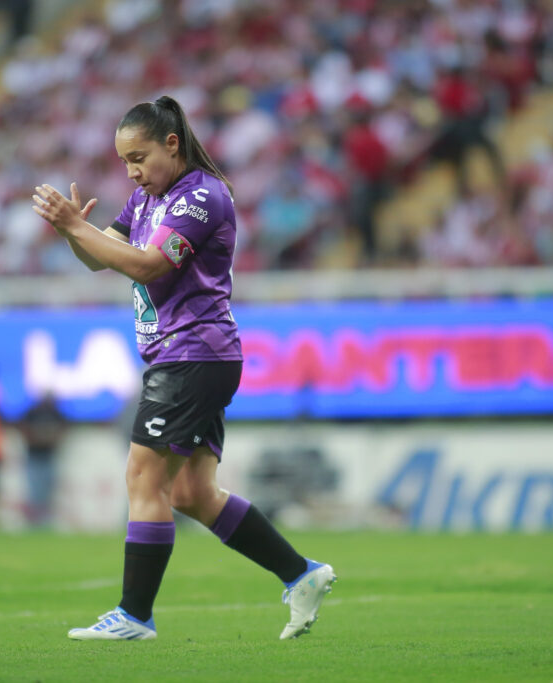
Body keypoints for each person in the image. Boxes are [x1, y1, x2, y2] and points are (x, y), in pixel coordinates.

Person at [31, 95, 336, 641]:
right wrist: (72, 230)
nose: (132, 171)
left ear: (172, 143)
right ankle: (301, 574)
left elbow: (148, 265)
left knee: (142, 476)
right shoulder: (145, 199)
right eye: (125, 161)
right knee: (193, 492)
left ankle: (134, 615)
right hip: (190, 357)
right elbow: (103, 256)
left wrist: (80, 229)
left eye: (140, 157)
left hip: (191, 354)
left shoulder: (200, 197)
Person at [17, 391, 68, 526]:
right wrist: (35, 439)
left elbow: (63, 428)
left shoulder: (55, 412)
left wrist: (52, 439)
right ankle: (34, 523)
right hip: (34, 456)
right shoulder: (32, 412)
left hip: (48, 456)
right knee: (35, 492)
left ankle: (45, 522)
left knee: (48, 491)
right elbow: (23, 428)